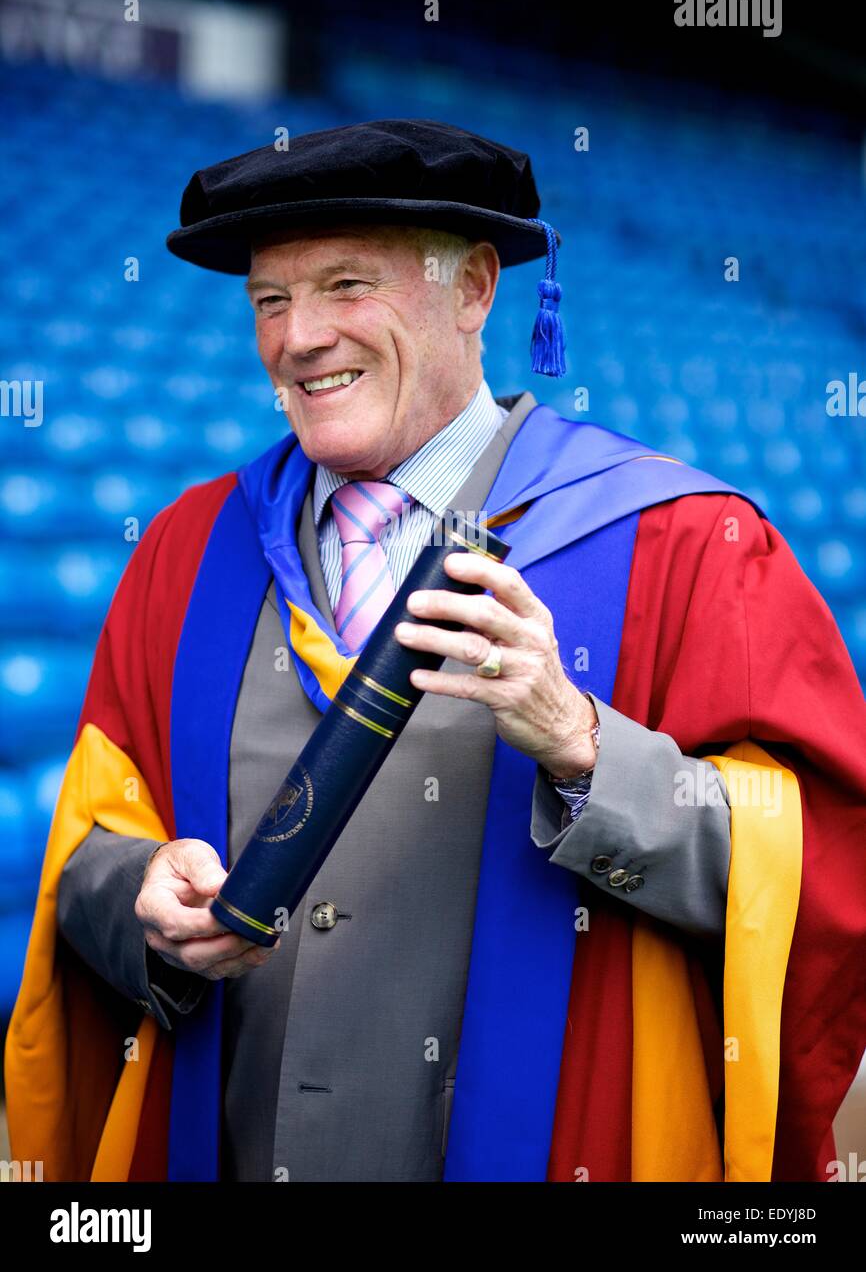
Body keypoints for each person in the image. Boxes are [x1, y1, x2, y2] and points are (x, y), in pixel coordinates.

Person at [6, 119, 866, 1183]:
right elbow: (89, 855)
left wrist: (584, 746)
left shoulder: (681, 545)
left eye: (345, 285)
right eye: (269, 301)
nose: (299, 337)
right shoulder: (185, 553)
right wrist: (135, 895)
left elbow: (822, 867)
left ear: (474, 291)